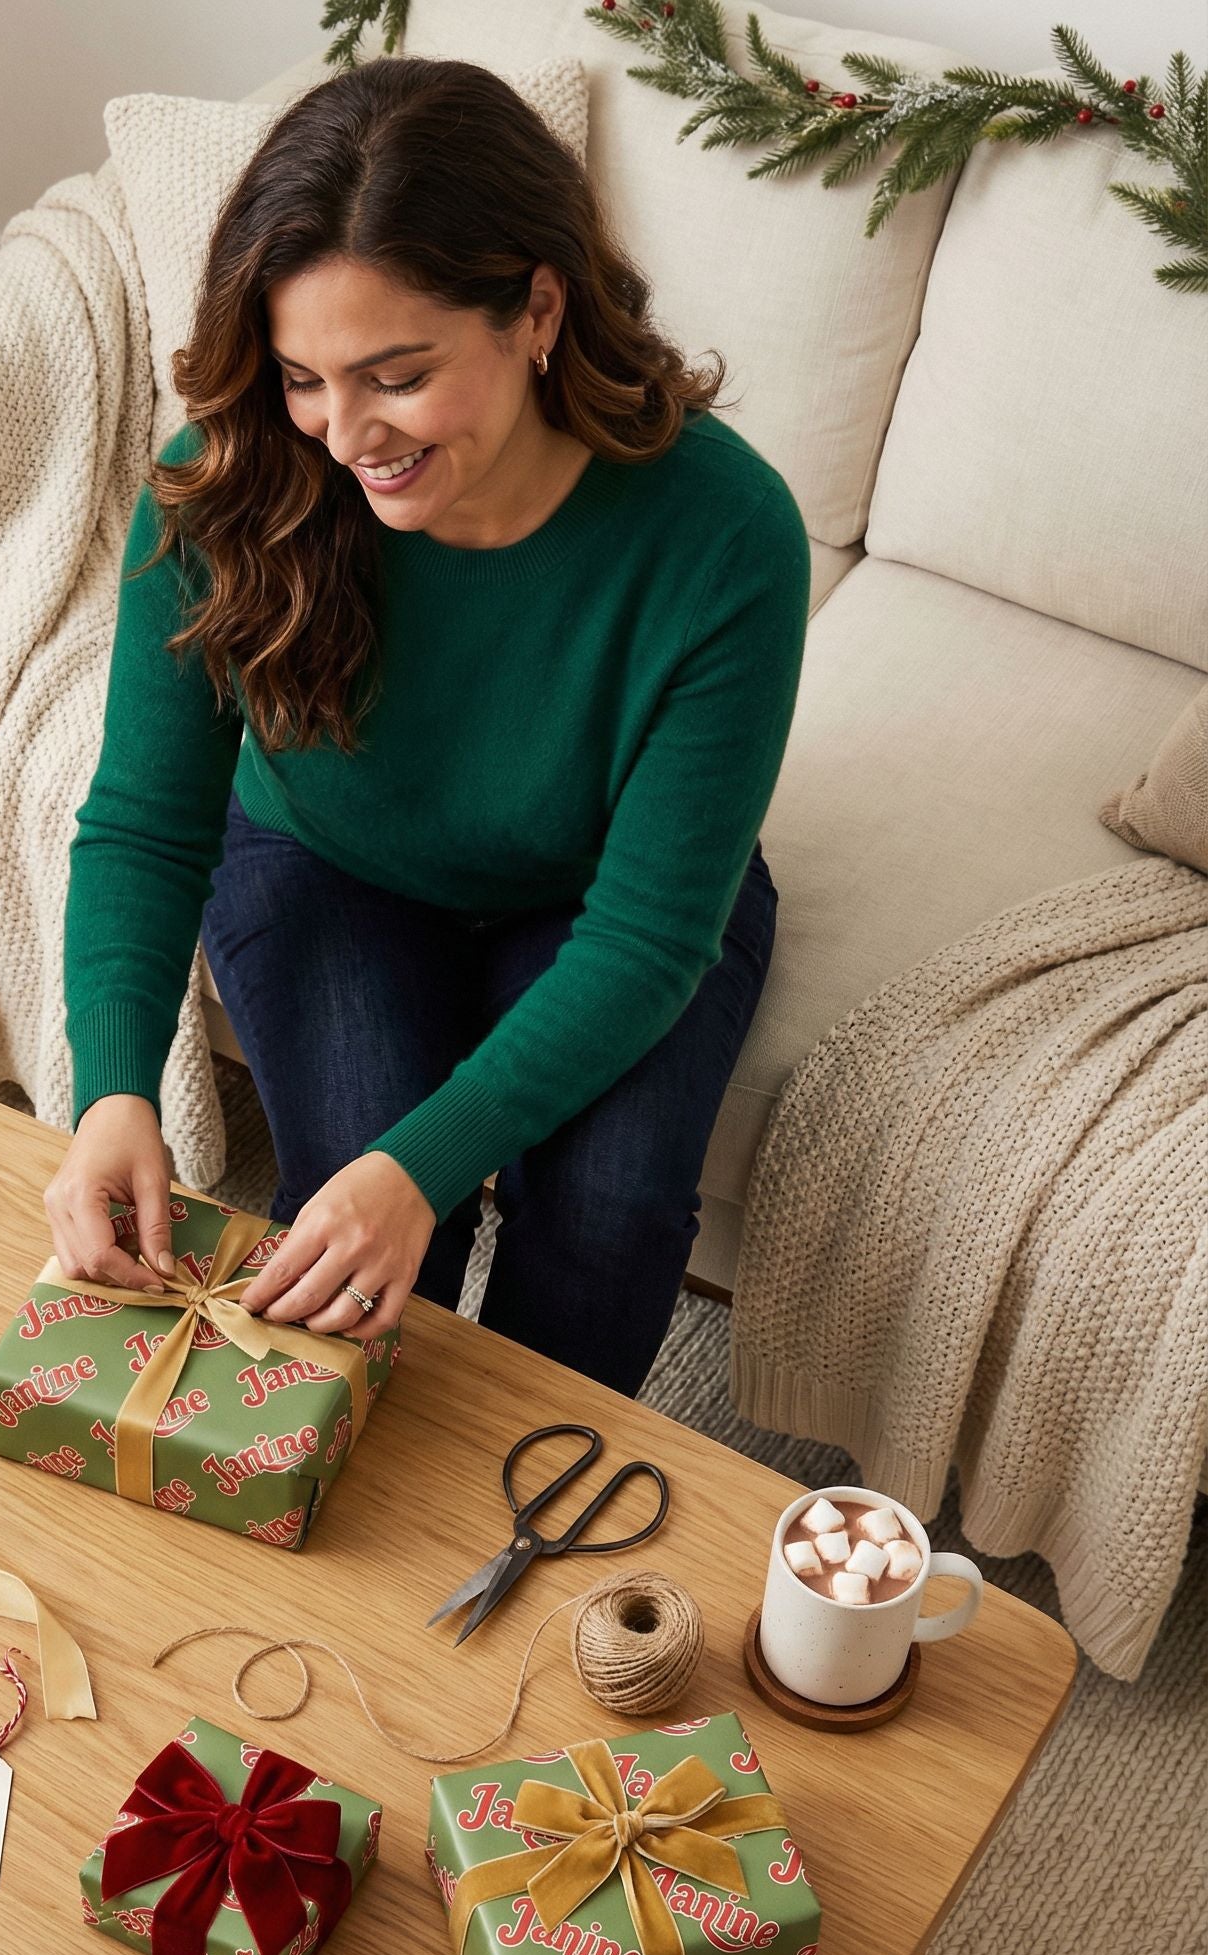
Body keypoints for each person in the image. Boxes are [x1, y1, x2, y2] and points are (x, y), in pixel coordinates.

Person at [43, 55, 810, 1398]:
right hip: (326, 862)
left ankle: (511, 1486)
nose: (345, 436)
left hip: (602, 899)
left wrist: (423, 1165)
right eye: (303, 377)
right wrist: (114, 1089)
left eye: (396, 376)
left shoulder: (726, 534)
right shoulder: (228, 482)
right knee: (361, 1217)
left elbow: (646, 937)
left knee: (610, 1212)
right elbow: (149, 822)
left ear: (538, 311)